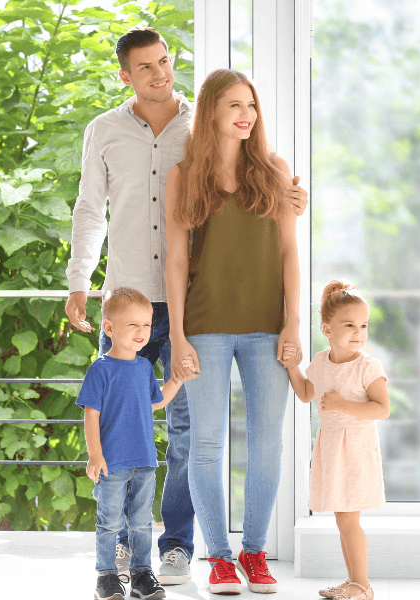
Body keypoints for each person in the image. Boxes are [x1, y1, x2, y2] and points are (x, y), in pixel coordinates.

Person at [65, 27, 309, 584]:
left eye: (165, 62)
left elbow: (272, 224)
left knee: (187, 433)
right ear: (125, 75)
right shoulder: (105, 131)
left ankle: (180, 544)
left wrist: (292, 200)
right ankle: (124, 545)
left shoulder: (201, 130)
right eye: (145, 67)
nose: (160, 73)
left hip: (190, 308)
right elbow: (89, 209)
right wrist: (79, 279)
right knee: (122, 422)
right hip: (131, 296)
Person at [165, 68, 303, 595]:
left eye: (251, 106)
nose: (246, 115)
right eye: (233, 106)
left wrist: (293, 322)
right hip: (205, 327)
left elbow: (289, 252)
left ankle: (254, 553)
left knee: (267, 447)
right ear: (211, 113)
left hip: (268, 327)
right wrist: (176, 336)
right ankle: (219, 558)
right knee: (205, 446)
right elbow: (176, 262)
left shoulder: (274, 170)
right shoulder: (184, 176)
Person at [78, 287, 197, 600]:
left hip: (144, 461)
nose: (142, 332)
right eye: (133, 325)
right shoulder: (99, 370)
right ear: (110, 328)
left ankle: (142, 574)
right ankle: (106, 577)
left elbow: (155, 404)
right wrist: (95, 455)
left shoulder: (144, 368)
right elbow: (91, 416)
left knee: (143, 522)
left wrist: (178, 380)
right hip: (112, 462)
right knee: (108, 522)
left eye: (146, 325)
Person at [281, 281, 391, 600]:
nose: (358, 332)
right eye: (349, 325)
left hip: (355, 450)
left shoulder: (367, 366)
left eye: (363, 325)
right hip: (331, 448)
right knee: (343, 520)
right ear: (327, 329)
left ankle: (362, 585)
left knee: (348, 520)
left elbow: (381, 408)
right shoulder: (321, 362)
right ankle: (354, 580)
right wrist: (291, 365)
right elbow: (305, 393)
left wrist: (344, 405)